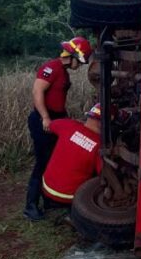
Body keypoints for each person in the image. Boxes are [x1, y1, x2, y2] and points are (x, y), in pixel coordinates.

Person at [24, 36, 93, 221]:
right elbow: (37, 91)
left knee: (55, 159)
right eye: (80, 61)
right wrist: (46, 118)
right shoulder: (52, 68)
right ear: (72, 56)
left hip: (57, 118)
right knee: (43, 161)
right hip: (43, 120)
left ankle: (49, 200)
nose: (80, 66)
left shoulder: (63, 72)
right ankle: (30, 205)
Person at [41, 103, 102, 206]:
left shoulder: (68, 125)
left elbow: (50, 125)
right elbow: (103, 173)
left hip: (46, 188)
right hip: (69, 199)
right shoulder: (100, 146)